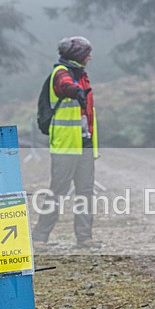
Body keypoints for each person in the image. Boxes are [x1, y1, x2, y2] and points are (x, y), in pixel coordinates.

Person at [33, 36, 99, 249]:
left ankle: (84, 238)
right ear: (78, 55)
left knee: (86, 191)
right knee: (58, 191)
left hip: (85, 143)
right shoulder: (61, 72)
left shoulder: (82, 74)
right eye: (87, 52)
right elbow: (64, 85)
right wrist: (76, 91)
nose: (90, 56)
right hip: (65, 144)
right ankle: (39, 238)